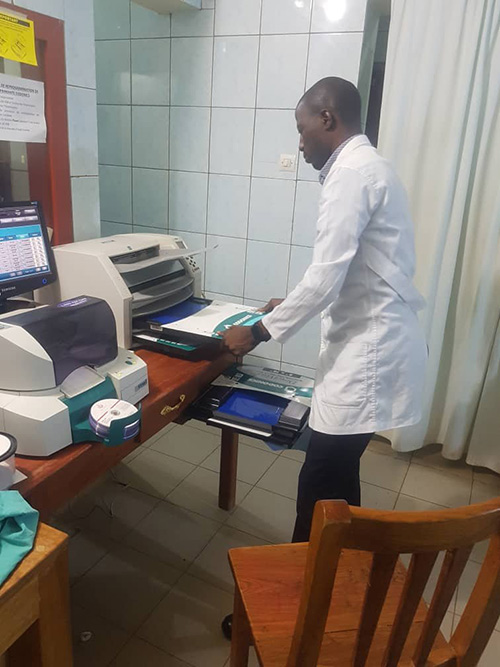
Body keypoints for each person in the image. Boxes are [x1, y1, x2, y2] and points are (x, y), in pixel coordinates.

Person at [220, 76, 427, 638]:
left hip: (369, 355)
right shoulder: (369, 167)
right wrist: (288, 305)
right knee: (336, 481)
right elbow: (357, 267)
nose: (300, 141)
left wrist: (257, 331)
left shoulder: (352, 174)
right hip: (373, 344)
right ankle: (339, 578)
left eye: (302, 127)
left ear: (327, 118)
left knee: (318, 488)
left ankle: (295, 606)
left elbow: (327, 274)